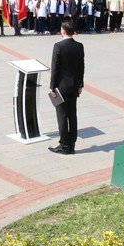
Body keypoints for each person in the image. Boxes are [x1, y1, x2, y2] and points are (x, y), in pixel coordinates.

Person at [48, 21, 85, 155]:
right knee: (72, 115)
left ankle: (64, 145)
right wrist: (81, 84)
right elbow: (81, 67)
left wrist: (52, 87)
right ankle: (72, 145)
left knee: (62, 116)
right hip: (74, 86)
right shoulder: (79, 46)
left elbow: (55, 69)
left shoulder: (58, 46)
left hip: (61, 87)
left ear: (63, 31)